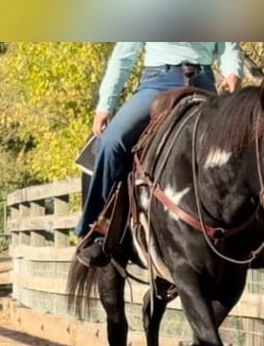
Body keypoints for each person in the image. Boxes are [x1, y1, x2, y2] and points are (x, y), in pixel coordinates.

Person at [75, 42, 245, 267]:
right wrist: (105, 105)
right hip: (157, 83)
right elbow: (123, 57)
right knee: (110, 143)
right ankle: (96, 230)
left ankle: (249, 236)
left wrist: (233, 73)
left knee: (243, 144)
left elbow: (229, 46)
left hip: (204, 82)